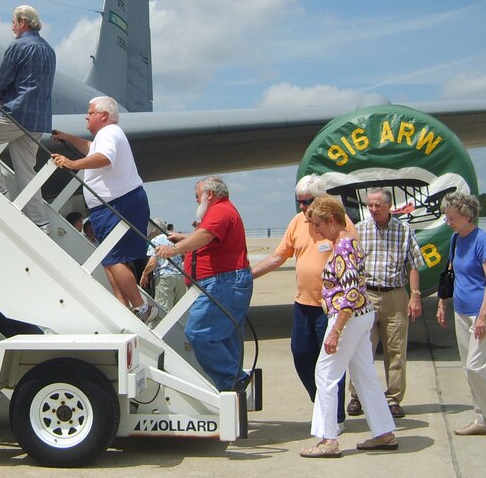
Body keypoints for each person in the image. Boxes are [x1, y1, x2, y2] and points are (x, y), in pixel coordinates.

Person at [251, 175, 354, 424]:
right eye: (299, 201)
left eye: (307, 202)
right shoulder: (297, 223)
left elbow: (350, 260)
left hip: (329, 307)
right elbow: (278, 256)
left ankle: (335, 417)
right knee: (301, 354)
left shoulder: (340, 223)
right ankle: (320, 402)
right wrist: (248, 276)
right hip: (303, 304)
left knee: (329, 364)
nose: (302, 207)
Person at [300, 196, 397, 457]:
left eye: (318, 224)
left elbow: (351, 292)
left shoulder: (343, 246)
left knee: (325, 374)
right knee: (364, 374)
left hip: (349, 317)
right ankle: (384, 431)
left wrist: (336, 329)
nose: (316, 230)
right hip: (361, 315)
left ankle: (328, 438)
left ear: (331, 221)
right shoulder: (348, 241)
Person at [51, 97, 154, 320]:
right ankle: (125, 307)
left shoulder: (109, 133)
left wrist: (71, 163)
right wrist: (68, 138)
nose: (86, 116)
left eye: (90, 112)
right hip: (112, 204)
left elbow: (104, 157)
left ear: (104, 116)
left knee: (111, 258)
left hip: (117, 203)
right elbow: (91, 149)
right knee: (110, 259)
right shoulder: (107, 136)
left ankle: (142, 306)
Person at [154, 177, 253, 391]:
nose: (196, 201)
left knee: (198, 332)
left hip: (222, 283)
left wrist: (175, 249)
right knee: (224, 336)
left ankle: (232, 379)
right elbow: (205, 235)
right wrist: (183, 237)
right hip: (222, 282)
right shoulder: (222, 211)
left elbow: (206, 236)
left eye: (197, 196)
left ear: (209, 194)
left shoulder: (220, 211)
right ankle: (232, 385)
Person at [0, 5, 56, 229]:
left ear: (23, 22)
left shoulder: (18, 45)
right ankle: (40, 223)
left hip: (18, 113)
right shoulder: (48, 49)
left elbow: (5, 81)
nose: (11, 27)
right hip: (39, 118)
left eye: (13, 22)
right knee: (26, 170)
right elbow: (32, 78)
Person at [347, 188, 425, 419]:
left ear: (389, 206)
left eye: (377, 205)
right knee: (362, 348)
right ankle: (357, 396)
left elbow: (413, 265)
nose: (373, 210)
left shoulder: (404, 231)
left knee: (396, 350)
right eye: (370, 205)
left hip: (395, 295)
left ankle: (393, 398)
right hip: (367, 295)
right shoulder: (360, 230)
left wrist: (415, 296)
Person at [436, 193, 486, 440]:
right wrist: (442, 303)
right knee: (468, 368)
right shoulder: (456, 239)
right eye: (446, 217)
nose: (448, 222)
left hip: (481, 312)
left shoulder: (482, 240)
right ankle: (481, 418)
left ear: (467, 216)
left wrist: (483, 316)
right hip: (461, 311)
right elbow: (450, 274)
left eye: (452, 218)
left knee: (476, 366)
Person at [140, 219, 186, 321]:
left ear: (154, 229)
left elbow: (152, 262)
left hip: (164, 277)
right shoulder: (173, 239)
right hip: (180, 276)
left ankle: (165, 336)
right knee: (179, 312)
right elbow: (185, 255)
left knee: (163, 312)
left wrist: (144, 274)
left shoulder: (155, 241)